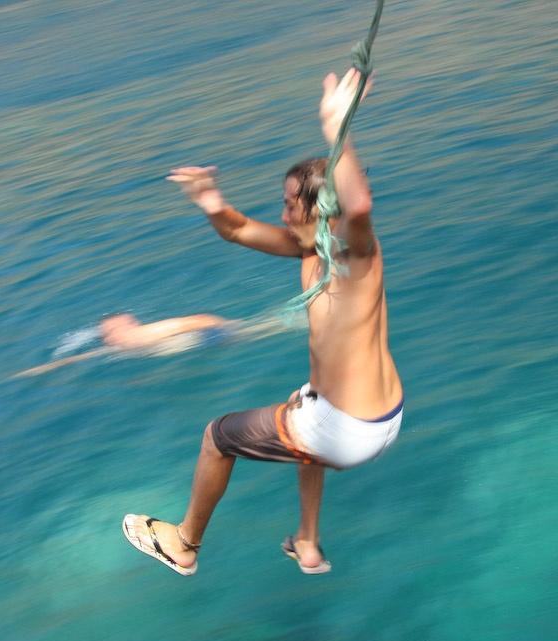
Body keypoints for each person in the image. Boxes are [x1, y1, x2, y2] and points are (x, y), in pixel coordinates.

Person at [121, 67, 403, 576]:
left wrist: (337, 127)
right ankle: (308, 542)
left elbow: (359, 205)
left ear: (321, 208)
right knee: (303, 399)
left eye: (290, 205)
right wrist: (210, 200)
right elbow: (237, 230)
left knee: (218, 437)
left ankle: (184, 544)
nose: (283, 213)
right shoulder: (310, 248)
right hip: (383, 418)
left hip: (347, 431)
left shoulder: (355, 255)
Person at [12, 312, 234, 377]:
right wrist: (48, 367)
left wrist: (223, 332)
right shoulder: (123, 346)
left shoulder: (143, 334)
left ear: (126, 325)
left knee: (253, 332)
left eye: (108, 332)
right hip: (205, 342)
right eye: (104, 335)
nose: (107, 338)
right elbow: (86, 356)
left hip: (211, 337)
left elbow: (198, 320)